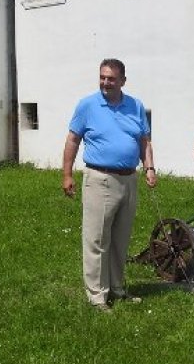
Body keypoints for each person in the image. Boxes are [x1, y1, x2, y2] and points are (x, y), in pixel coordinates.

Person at [62, 58, 157, 312]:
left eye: (111, 78)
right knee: (96, 240)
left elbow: (144, 141)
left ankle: (117, 288)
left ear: (123, 81)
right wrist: (67, 175)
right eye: (103, 77)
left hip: (129, 180)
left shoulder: (135, 106)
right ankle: (97, 296)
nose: (106, 82)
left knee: (120, 240)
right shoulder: (88, 105)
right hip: (100, 179)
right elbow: (72, 140)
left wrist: (149, 167)